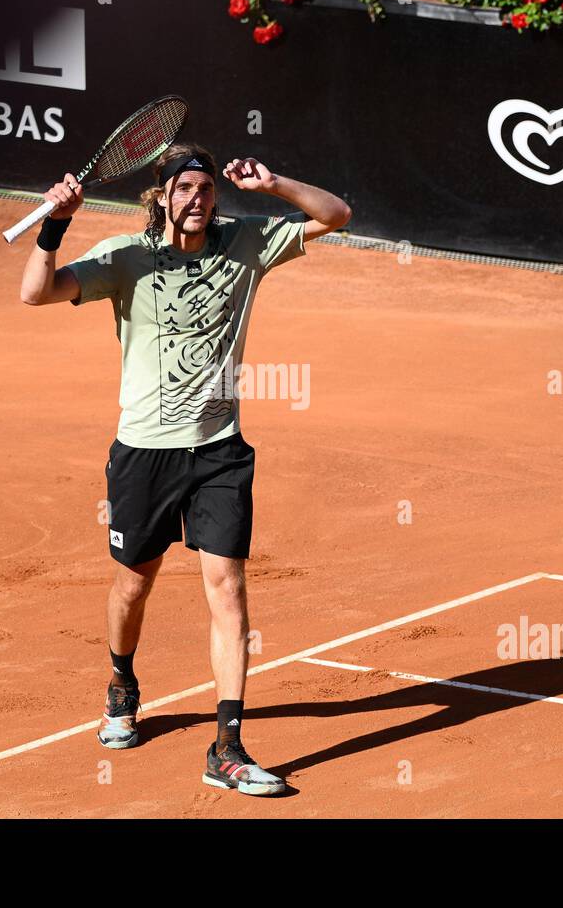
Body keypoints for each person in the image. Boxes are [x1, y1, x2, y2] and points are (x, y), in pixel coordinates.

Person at [19, 143, 351, 795]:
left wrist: (275, 182)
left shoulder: (247, 243)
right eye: (183, 188)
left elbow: (337, 214)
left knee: (226, 588)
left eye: (205, 188)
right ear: (161, 197)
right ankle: (122, 681)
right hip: (143, 453)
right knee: (133, 588)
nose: (196, 198)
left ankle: (226, 748)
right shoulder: (125, 257)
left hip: (219, 451)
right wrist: (53, 225)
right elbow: (36, 292)